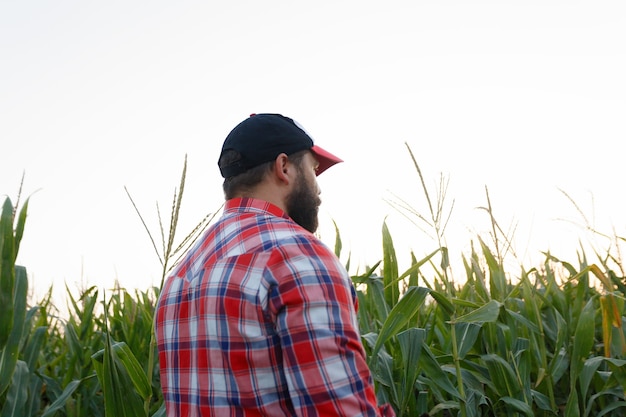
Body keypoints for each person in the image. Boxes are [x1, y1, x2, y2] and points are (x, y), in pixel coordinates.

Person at [155, 113, 395, 416]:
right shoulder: (298, 258)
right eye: (313, 169)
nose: (318, 188)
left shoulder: (180, 275)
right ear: (284, 168)